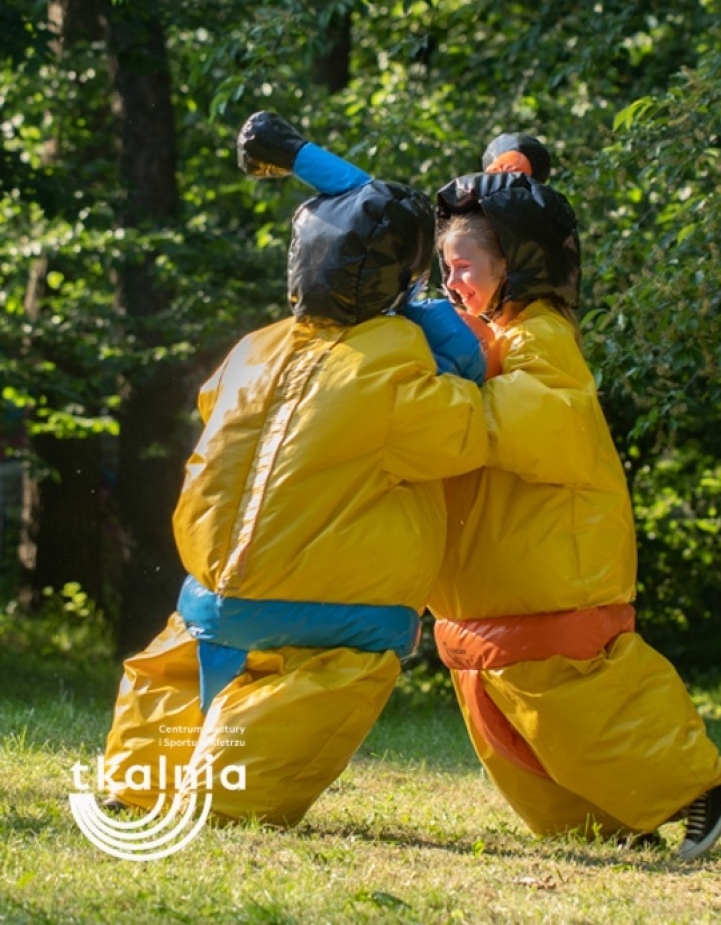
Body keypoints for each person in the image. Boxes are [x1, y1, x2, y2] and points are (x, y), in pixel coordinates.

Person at [99, 127, 488, 825]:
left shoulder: (254, 349)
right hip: (332, 607)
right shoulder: (393, 362)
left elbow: (219, 413)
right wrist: (452, 346)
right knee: (320, 684)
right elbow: (462, 435)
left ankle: (137, 780)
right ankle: (227, 797)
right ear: (398, 287)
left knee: (175, 670)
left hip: (212, 591)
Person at [426, 154, 721, 861]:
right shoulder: (491, 337)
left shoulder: (538, 336)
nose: (452, 283)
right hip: (495, 578)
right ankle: (599, 821)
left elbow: (539, 420)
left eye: (465, 267)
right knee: (508, 716)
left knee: (577, 702)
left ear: (514, 266)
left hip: (549, 566)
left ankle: (703, 785)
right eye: (446, 268)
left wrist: (450, 392)